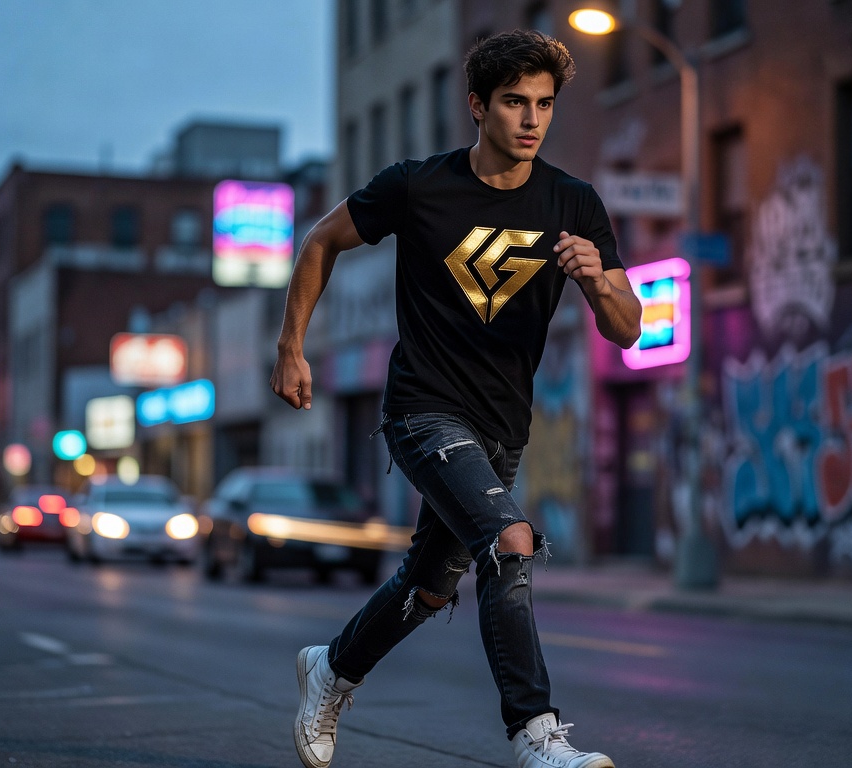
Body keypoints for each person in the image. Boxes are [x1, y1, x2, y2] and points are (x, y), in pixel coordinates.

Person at [270, 29, 641, 768]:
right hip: (421, 409)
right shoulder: (419, 185)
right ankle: (537, 736)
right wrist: (290, 346)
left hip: (503, 426)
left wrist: (598, 277)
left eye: (543, 104)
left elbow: (628, 330)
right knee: (509, 543)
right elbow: (321, 240)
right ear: (478, 106)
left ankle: (332, 669)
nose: (531, 120)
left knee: (430, 586)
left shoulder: (573, 202)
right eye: (513, 103)